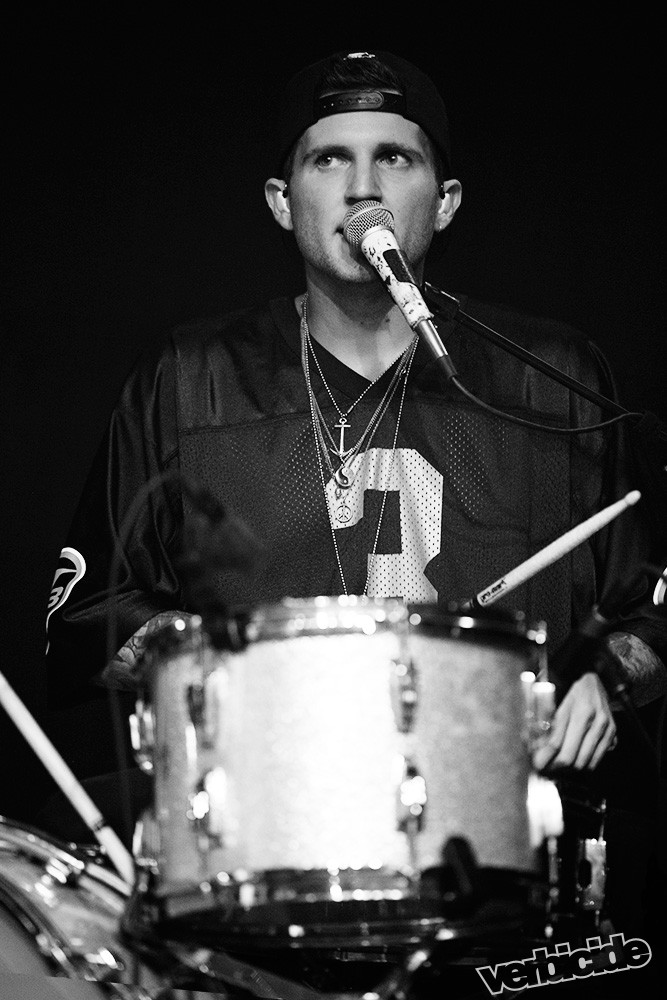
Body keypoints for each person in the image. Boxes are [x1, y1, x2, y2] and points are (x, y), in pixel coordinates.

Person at [44, 49, 666, 970]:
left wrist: (604, 681)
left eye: (394, 158)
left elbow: (649, 601)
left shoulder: (553, 376)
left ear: (444, 201)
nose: (361, 187)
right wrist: (213, 673)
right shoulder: (186, 377)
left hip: (505, 877)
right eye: (328, 158)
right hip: (268, 879)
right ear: (281, 200)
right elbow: (88, 612)